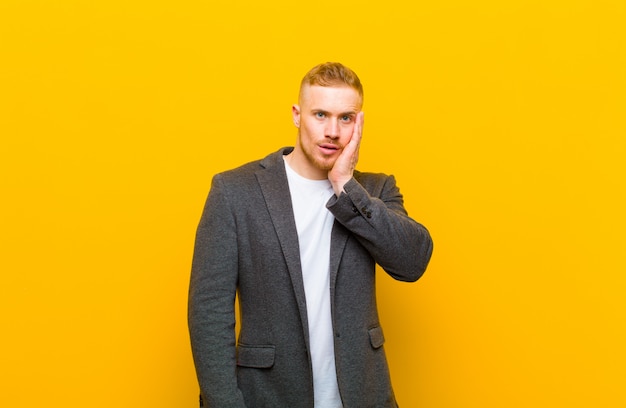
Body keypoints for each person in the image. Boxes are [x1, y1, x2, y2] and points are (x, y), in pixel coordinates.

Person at [188, 62, 433, 408]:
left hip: (363, 397)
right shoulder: (234, 192)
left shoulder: (374, 190)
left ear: (359, 123)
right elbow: (209, 313)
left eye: (345, 118)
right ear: (297, 115)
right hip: (269, 397)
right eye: (320, 114)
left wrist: (347, 188)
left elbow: (412, 262)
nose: (332, 131)